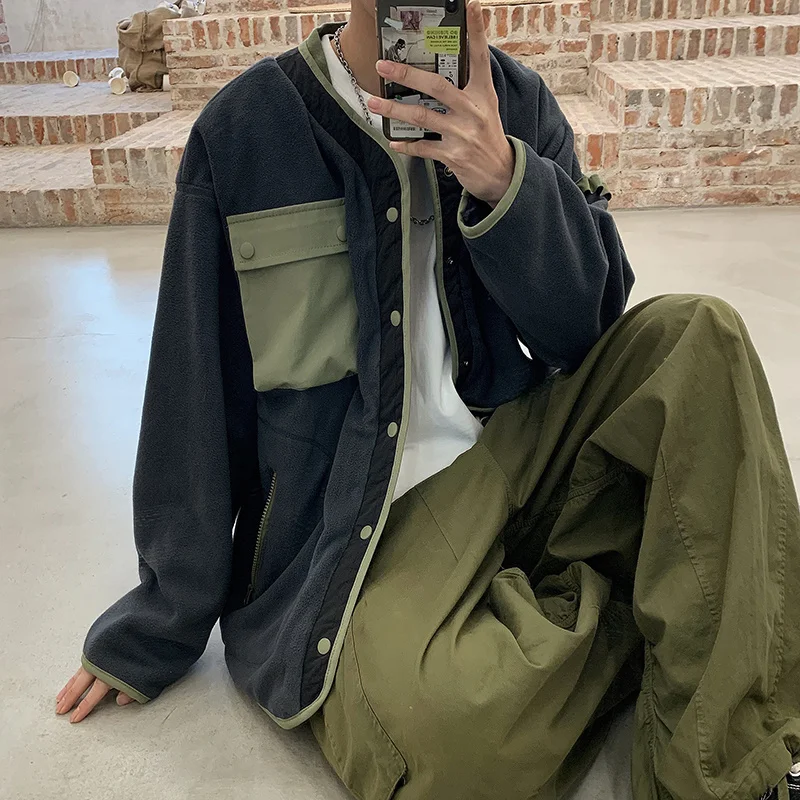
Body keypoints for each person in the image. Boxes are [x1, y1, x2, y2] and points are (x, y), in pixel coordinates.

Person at [56, 0, 800, 798]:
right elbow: (192, 390)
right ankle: (653, 610)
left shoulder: (517, 103)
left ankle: (724, 767)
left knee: (700, 335)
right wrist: (159, 623)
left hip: (514, 460)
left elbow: (587, 327)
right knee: (444, 738)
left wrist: (503, 178)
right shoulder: (245, 132)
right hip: (354, 536)